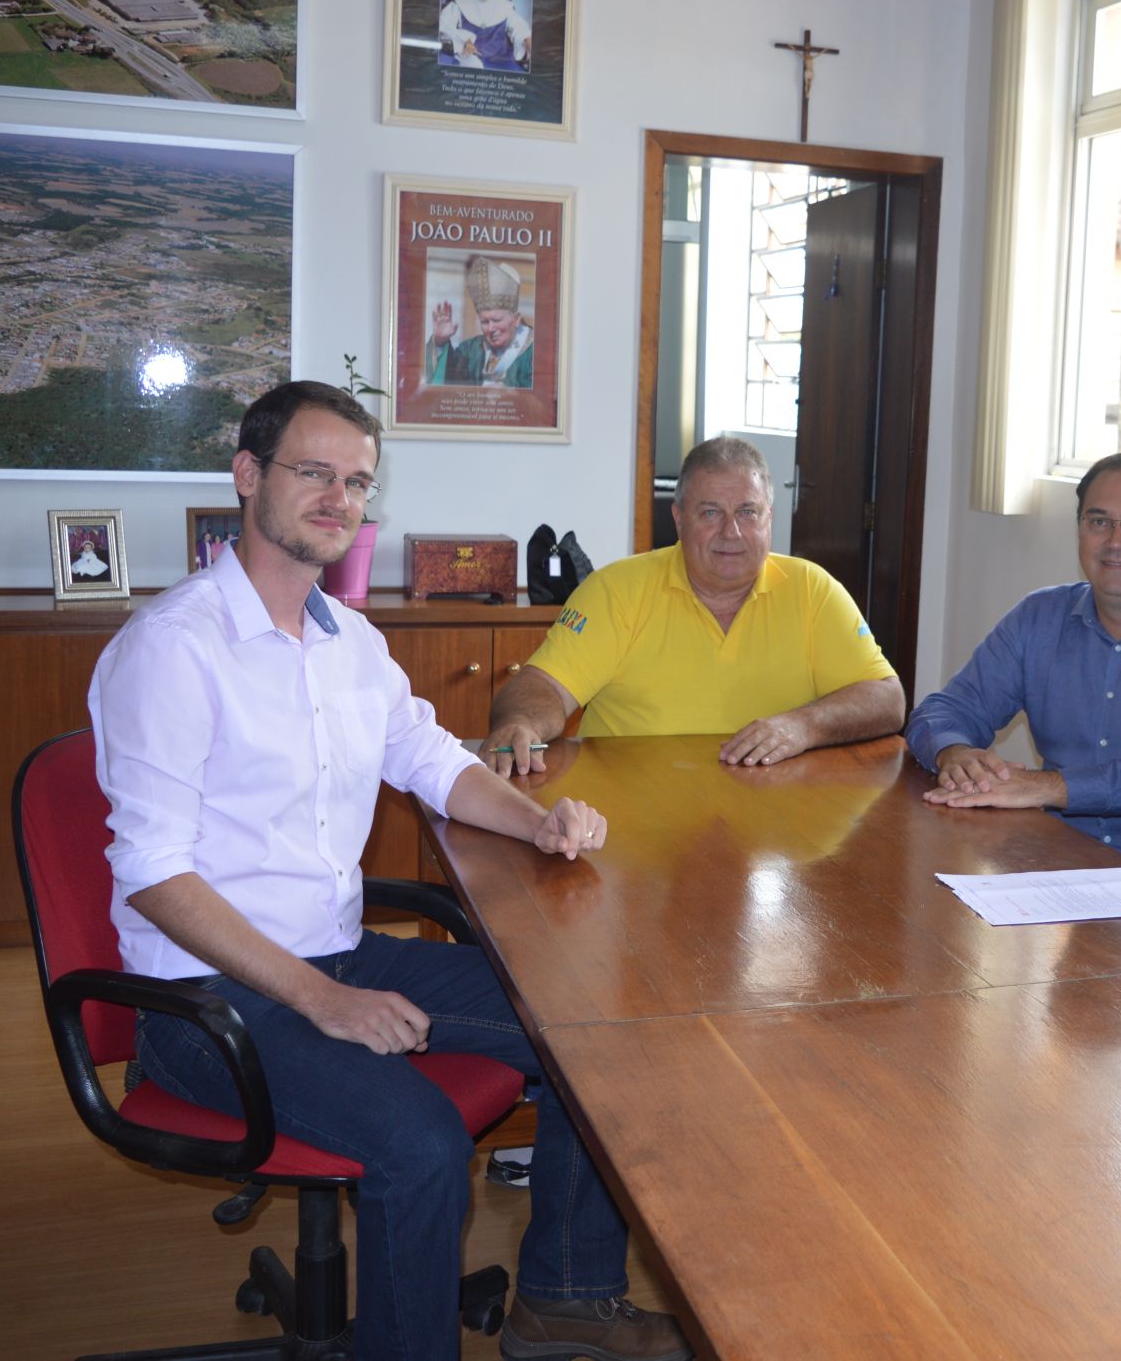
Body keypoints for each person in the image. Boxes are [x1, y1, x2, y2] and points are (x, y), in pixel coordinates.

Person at [88, 381, 690, 1361]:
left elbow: (437, 763)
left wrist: (539, 826)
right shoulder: (172, 649)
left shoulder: (350, 643)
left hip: (337, 953)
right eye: (312, 472)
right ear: (248, 475)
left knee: (598, 1030)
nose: (337, 496)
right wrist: (321, 996)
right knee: (420, 1143)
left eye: (357, 480)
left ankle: (565, 1298)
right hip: (205, 1004)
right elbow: (155, 875)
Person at [906, 453, 1121, 902]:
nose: (1116, 541)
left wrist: (1043, 787)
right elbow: (942, 711)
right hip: (1051, 862)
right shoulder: (1039, 617)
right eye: (1099, 522)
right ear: (1079, 532)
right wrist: (955, 753)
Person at [485, 435, 904, 773]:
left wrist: (804, 725)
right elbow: (543, 688)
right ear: (679, 518)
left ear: (769, 519)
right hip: (630, 827)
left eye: (748, 512)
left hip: (772, 829)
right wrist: (521, 724)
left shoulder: (812, 589)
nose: (731, 532)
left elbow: (888, 699)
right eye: (709, 513)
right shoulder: (617, 589)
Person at [426, 255, 534, 388]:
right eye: (484, 322)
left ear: (516, 319)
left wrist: (511, 394)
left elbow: (542, 399)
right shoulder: (470, 350)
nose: (490, 328)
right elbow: (442, 384)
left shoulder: (535, 352)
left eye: (497, 320)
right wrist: (440, 342)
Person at [439, 0, 530, 71]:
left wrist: (526, 38)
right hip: (467, 55)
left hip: (500, 59)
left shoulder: (504, 6)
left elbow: (518, 26)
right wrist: (464, 40)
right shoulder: (459, 3)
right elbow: (444, 26)